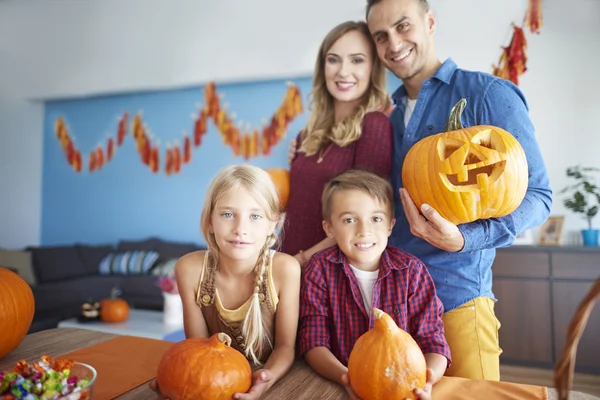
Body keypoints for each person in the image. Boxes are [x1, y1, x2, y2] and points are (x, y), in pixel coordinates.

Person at [365, 0, 553, 381]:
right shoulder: (385, 115)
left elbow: (539, 195)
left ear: (430, 21)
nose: (394, 43)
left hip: (458, 299)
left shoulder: (489, 94)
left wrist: (465, 239)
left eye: (403, 27)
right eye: (381, 36)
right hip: (393, 307)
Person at [150, 164, 301, 400]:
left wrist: (263, 380)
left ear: (273, 223)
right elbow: (197, 348)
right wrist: (178, 380)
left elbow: (285, 347)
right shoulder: (189, 269)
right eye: (228, 214)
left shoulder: (285, 269)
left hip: (275, 380)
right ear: (210, 220)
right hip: (213, 383)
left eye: (255, 216)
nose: (240, 229)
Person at [299, 169, 451, 400]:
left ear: (390, 226)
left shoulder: (412, 271)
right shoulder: (319, 269)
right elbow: (313, 341)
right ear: (329, 228)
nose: (364, 230)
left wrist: (427, 381)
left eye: (376, 219)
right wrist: (346, 377)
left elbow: (434, 341)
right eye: (349, 220)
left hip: (404, 387)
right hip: (339, 379)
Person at [282, 20, 393, 267]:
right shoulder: (307, 135)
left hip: (328, 272)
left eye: (357, 60)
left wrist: (300, 261)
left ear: (373, 67)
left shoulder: (374, 126)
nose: (343, 71)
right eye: (333, 60)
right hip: (288, 266)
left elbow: (362, 220)